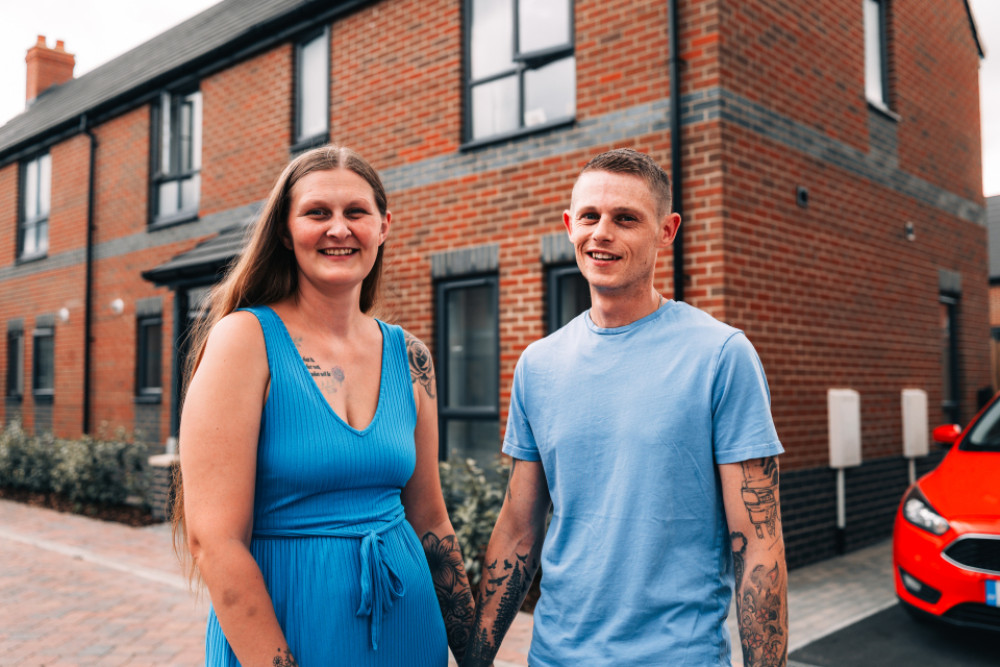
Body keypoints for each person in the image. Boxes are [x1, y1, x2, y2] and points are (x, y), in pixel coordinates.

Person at [462, 148, 788, 666]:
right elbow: (519, 528)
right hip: (554, 656)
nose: (602, 233)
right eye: (590, 216)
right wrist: (476, 657)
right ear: (570, 226)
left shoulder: (721, 355)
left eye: (626, 218)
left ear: (666, 230)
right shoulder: (539, 364)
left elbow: (758, 542)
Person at [174, 145, 475, 666]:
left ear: (382, 226)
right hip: (288, 627)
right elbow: (214, 542)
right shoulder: (244, 341)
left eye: (355, 212)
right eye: (317, 213)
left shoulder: (410, 356)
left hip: (408, 630)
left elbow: (430, 518)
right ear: (286, 233)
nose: (339, 229)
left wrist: (475, 655)